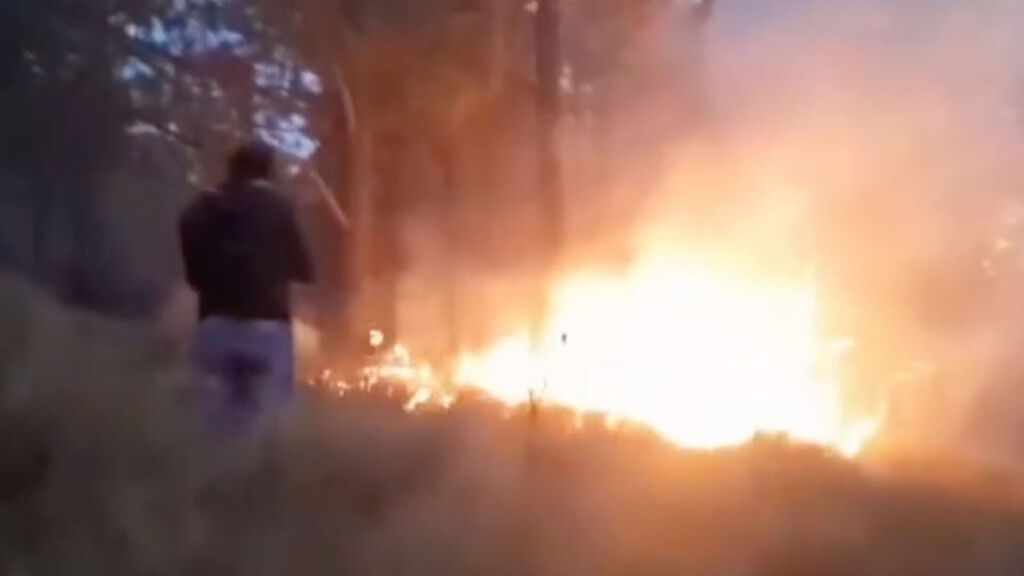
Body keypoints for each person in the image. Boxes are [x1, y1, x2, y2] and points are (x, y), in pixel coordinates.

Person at [179, 142, 314, 437]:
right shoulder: (279, 207)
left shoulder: (207, 204)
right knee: (270, 418)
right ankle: (256, 463)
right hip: (267, 329)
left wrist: (200, 275)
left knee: (211, 421)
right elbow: (305, 270)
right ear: (268, 172)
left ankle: (215, 465)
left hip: (215, 324)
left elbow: (187, 228)